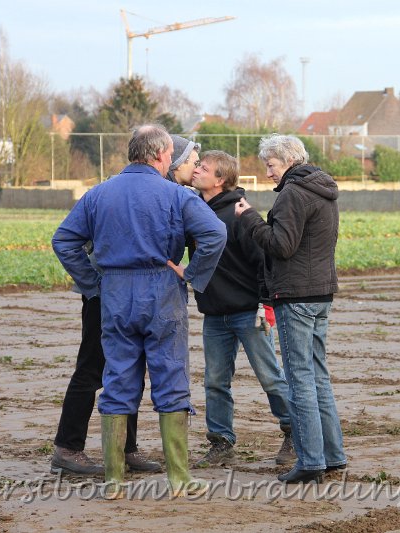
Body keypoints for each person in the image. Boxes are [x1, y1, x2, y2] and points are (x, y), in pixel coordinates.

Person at [52, 123, 227, 499]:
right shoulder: (176, 196)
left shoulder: (98, 194)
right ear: (162, 154)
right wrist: (193, 274)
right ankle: (179, 479)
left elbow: (64, 240)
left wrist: (94, 284)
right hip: (162, 291)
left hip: (114, 293)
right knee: (170, 378)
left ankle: (113, 480)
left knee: (117, 380)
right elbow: (215, 234)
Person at [234, 134, 346, 484]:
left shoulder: (292, 195)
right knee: (318, 376)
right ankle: (333, 454)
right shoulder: (322, 191)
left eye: (270, 164)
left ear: (288, 161)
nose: (268, 172)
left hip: (296, 297)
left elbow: (281, 246)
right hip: (321, 294)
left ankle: (311, 460)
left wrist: (250, 218)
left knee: (299, 381)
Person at [185, 149, 295, 468]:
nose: (196, 171)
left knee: (270, 377)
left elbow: (263, 260)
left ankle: (294, 434)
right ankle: (221, 443)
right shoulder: (194, 211)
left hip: (249, 310)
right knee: (215, 380)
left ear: (220, 179)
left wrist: (265, 303)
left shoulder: (240, 213)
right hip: (214, 312)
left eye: (203, 168)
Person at [50, 241, 161, 475]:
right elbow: (64, 240)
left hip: (137, 290)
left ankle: (126, 447)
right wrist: (93, 284)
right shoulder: (97, 201)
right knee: (91, 368)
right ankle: (67, 448)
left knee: (131, 368)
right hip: (104, 291)